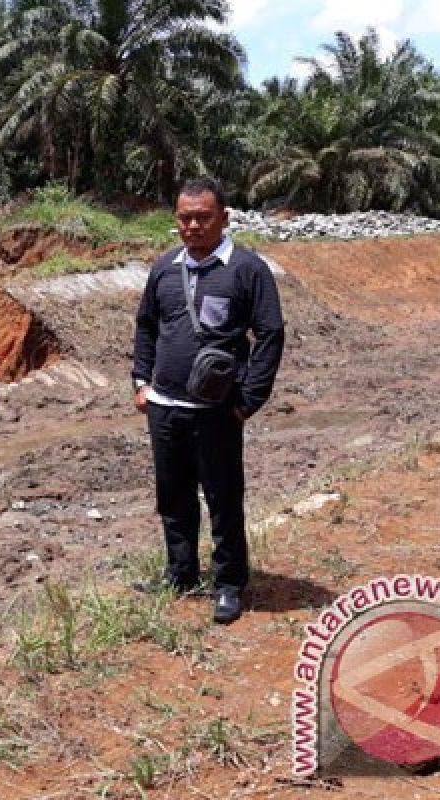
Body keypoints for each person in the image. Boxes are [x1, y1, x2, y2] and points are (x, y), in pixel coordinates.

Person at [131, 178, 285, 624]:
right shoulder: (163, 269)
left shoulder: (247, 270)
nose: (193, 225)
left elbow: (270, 334)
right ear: (175, 220)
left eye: (203, 217)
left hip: (218, 412)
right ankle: (179, 574)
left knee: (222, 497)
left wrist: (248, 399)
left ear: (225, 218)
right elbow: (146, 326)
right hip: (164, 405)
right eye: (185, 217)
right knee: (173, 495)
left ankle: (229, 584)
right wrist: (141, 381)